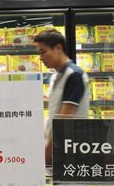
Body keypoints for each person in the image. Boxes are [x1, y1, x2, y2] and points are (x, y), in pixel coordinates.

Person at [34, 29, 89, 165]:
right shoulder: (57, 76)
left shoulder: (73, 75)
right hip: (60, 149)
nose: (40, 58)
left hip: (70, 152)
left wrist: (46, 155)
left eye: (43, 52)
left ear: (58, 48)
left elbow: (64, 121)